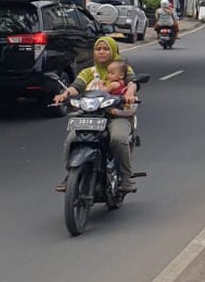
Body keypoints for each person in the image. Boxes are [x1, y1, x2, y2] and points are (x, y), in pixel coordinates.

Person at [53, 36, 140, 192]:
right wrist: (65, 95)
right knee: (71, 139)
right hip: (91, 117)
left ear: (113, 51)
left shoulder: (122, 68)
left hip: (116, 115)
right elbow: (76, 86)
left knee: (118, 138)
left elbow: (133, 83)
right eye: (98, 49)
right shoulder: (89, 72)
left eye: (105, 49)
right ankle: (71, 174)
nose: (101, 52)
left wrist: (129, 94)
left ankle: (126, 179)